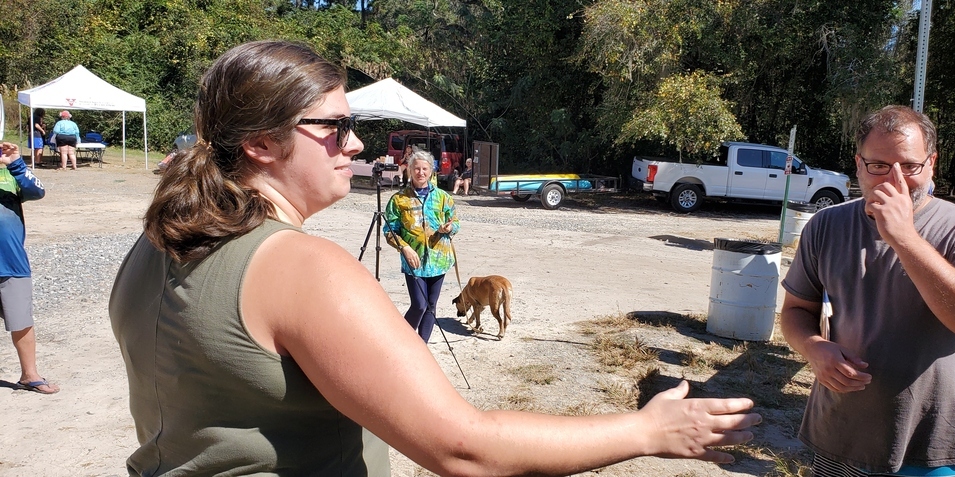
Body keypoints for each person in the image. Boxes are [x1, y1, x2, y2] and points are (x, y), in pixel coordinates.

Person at [108, 40, 760, 476]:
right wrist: (647, 431)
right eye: (332, 127)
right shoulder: (301, 270)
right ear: (259, 144)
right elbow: (463, 446)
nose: (355, 144)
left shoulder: (159, 238)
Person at [780, 105, 955, 476]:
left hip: (933, 446)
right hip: (841, 436)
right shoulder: (826, 225)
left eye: (910, 167)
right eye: (879, 166)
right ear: (858, 164)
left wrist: (904, 238)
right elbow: (795, 311)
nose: (895, 180)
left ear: (931, 163)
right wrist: (813, 348)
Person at [0, 142, 58, 395]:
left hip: (11, 261)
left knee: (21, 320)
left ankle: (29, 374)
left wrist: (15, 163)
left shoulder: (10, 172)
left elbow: (37, 191)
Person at [383, 149, 458, 342]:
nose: (421, 172)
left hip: (439, 260)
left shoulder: (443, 197)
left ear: (431, 171)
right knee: (419, 305)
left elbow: (455, 222)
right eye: (416, 168)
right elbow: (389, 231)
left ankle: (422, 346)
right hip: (414, 261)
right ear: (409, 170)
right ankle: (403, 342)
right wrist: (405, 248)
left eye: (425, 168)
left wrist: (448, 228)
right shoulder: (399, 200)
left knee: (431, 305)